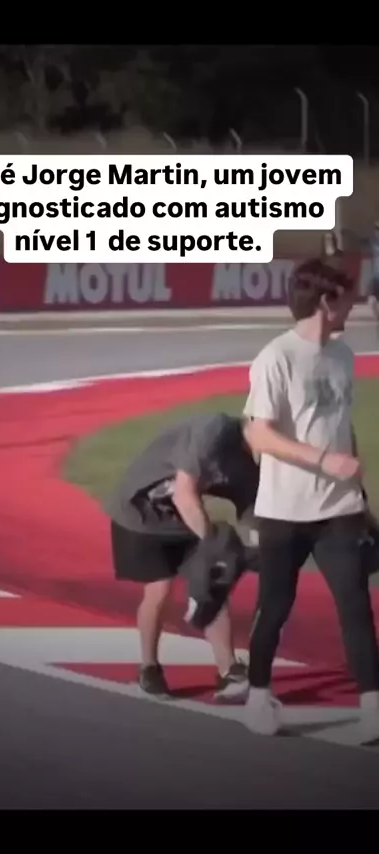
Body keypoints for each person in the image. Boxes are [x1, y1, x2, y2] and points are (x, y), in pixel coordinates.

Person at [242, 257, 379, 740]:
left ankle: (372, 705)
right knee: (275, 606)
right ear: (326, 301)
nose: (354, 305)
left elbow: (340, 426)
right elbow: (259, 435)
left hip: (339, 509)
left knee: (356, 605)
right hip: (284, 510)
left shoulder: (343, 355)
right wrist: (323, 461)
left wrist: (358, 494)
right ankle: (258, 695)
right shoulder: (276, 358)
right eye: (347, 298)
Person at [106, 412, 260, 699]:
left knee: (213, 582)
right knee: (160, 589)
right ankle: (149, 668)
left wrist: (262, 548)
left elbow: (252, 516)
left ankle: (228, 670)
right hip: (140, 513)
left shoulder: (248, 468)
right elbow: (184, 493)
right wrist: (214, 545)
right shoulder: (215, 429)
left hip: (180, 516)